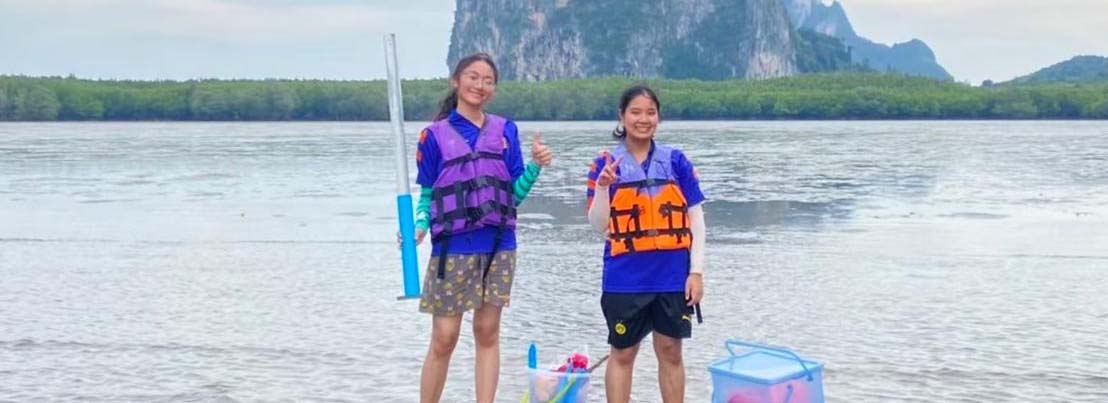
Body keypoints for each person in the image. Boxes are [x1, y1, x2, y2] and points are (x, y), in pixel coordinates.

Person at [413, 53, 553, 403]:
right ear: (456, 80)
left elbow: (513, 195)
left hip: (499, 245)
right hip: (452, 247)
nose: (480, 85)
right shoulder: (433, 136)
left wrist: (535, 166)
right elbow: (427, 194)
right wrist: (417, 226)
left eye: (488, 80)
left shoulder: (506, 130)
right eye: (473, 77)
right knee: (444, 336)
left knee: (487, 331)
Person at [585, 85, 706, 402]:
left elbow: (697, 220)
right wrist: (602, 188)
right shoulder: (606, 164)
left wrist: (696, 272)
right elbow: (599, 226)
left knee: (671, 351)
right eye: (635, 112)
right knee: (622, 354)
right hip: (625, 277)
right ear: (622, 117)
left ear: (659, 117)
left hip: (671, 275)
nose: (643, 119)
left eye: (650, 112)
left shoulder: (676, 161)